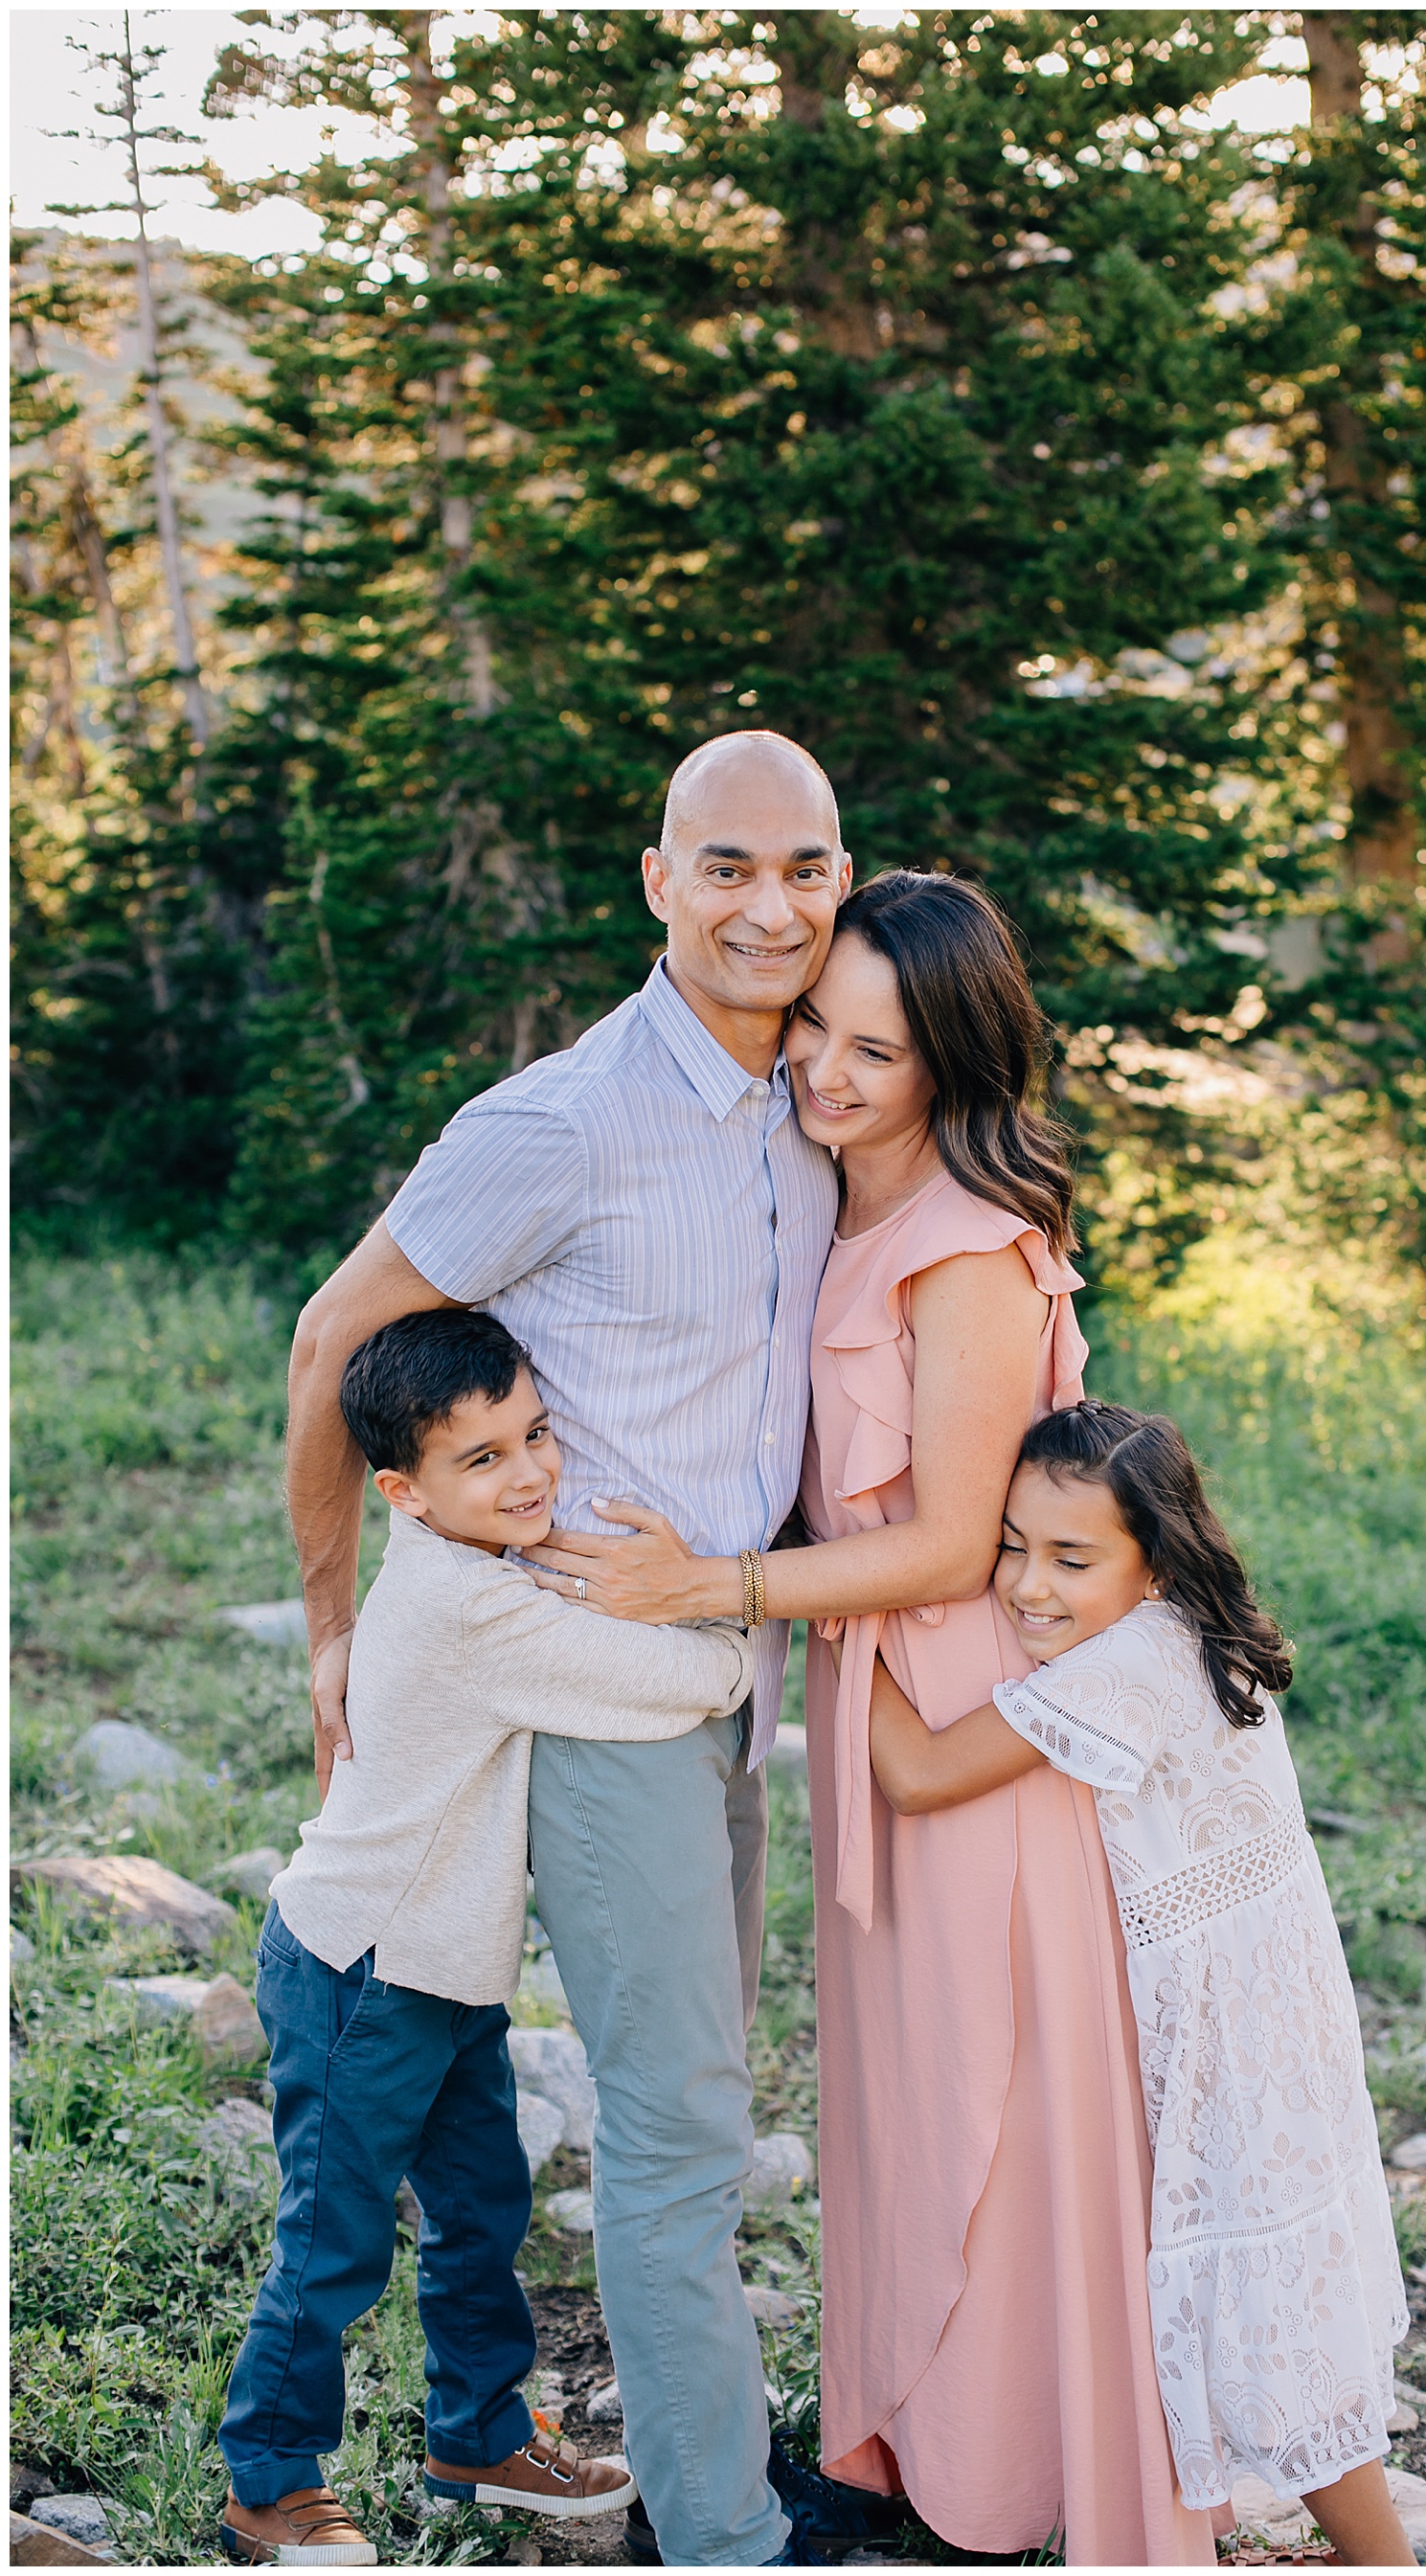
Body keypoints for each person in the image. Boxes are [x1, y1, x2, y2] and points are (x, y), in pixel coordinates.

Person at [529, 871, 1217, 2565]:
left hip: (978, 1707)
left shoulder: (969, 1252)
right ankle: (905, 2441)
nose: (827, 1073)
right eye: (818, 1032)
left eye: (878, 1052)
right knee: (902, 2098)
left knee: (1000, 2107)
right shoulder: (825, 1207)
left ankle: (1018, 2479)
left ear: (951, 1066)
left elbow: (938, 1536)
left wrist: (707, 1588)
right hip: (869, 1695)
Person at [282, 731, 853, 2567]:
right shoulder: (561, 1121)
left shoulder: (820, 1100)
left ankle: (710, 2458)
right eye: (729, 868)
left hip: (733, 1668)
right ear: (657, 878)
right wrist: (325, 1629)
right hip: (605, 1689)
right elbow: (328, 1347)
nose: (771, 907)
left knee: (714, 2097)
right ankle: (720, 2531)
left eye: (809, 868)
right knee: (684, 2124)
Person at [219, 1308, 752, 2567]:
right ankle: (269, 2480)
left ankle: (478, 2431)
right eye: (484, 1459)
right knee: (331, 2237)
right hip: (358, 1972)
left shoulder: (477, 1561)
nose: (528, 1475)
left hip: (440, 1976)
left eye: (536, 1433)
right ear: (402, 1489)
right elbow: (667, 1680)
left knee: (481, 2205)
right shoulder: (466, 1606)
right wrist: (731, 1637)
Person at [867, 1401, 1415, 2569]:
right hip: (1278, 2009)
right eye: (1010, 1542)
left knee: (1270, 2324)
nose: (1026, 1585)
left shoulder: (1132, 1662)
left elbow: (915, 1772)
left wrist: (844, 1622)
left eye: (1073, 1557)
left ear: (1155, 1558)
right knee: (1277, 2305)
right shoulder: (1184, 1633)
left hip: (1231, 2035)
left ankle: (1387, 2561)